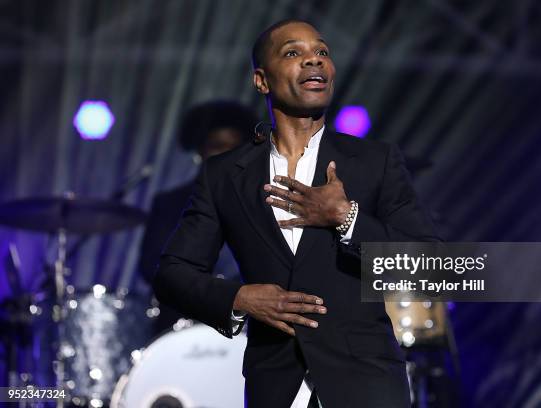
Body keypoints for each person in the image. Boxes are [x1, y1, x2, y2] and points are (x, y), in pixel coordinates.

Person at [154, 19, 439, 408]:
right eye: (294, 53)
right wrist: (239, 298)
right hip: (274, 384)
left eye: (322, 52)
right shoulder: (225, 175)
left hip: (366, 384)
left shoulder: (374, 162)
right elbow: (173, 274)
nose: (314, 61)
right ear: (262, 81)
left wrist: (346, 217)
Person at [139, 101, 256, 335]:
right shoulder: (170, 203)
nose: (226, 155)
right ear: (200, 151)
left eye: (234, 148)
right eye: (217, 146)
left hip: (252, 323)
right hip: (183, 323)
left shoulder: (263, 201)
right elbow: (151, 267)